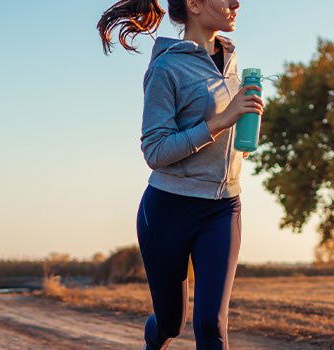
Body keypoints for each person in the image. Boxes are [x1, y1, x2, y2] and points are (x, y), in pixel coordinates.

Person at [98, 0, 262, 349]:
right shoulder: (167, 68)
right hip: (169, 211)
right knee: (172, 322)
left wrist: (245, 122)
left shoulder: (232, 62)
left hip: (222, 208)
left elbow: (229, 135)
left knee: (210, 324)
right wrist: (221, 121)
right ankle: (153, 339)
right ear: (194, 5)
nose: (236, 3)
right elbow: (155, 152)